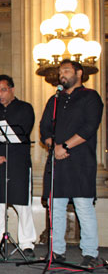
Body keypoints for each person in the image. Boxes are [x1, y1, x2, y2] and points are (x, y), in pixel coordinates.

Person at [39, 59, 103, 268]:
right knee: (55, 208)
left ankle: (90, 253)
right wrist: (53, 145)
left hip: (81, 163)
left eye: (65, 70)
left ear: (79, 73)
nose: (61, 75)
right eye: (59, 72)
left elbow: (89, 127)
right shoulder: (54, 100)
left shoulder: (90, 96)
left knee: (83, 207)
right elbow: (44, 128)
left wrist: (64, 147)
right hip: (57, 163)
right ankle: (57, 251)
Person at [0, 74, 36, 258]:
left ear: (12, 89)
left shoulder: (25, 108)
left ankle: (27, 243)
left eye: (3, 90)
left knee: (22, 204)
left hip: (18, 162)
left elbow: (23, 131)